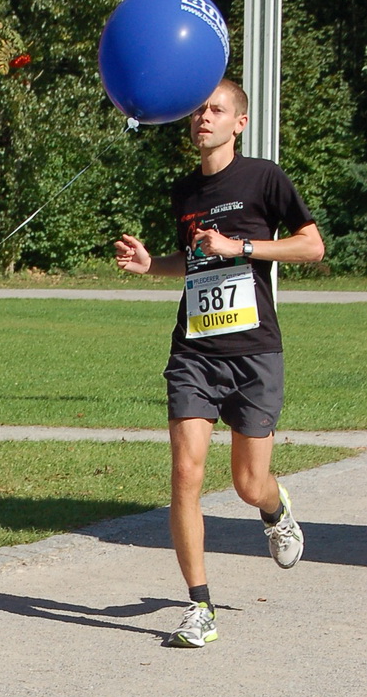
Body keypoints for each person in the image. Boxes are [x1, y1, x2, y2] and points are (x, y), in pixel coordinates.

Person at [114, 80, 325, 648]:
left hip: (255, 352)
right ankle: (199, 605)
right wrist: (150, 264)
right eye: (198, 111)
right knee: (186, 474)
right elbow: (193, 261)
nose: (203, 118)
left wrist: (243, 248)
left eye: (216, 110)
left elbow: (312, 246)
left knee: (248, 483)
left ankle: (275, 509)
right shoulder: (185, 191)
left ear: (240, 123)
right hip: (195, 351)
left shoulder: (264, 179)